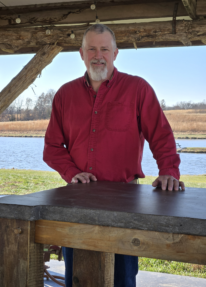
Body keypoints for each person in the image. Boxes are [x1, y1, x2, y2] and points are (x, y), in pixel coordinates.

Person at [43, 24, 185, 287]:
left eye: (104, 49)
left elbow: (161, 136)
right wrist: (72, 172)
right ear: (81, 53)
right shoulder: (64, 95)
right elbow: (51, 147)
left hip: (125, 201)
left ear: (116, 53)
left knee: (122, 278)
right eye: (92, 49)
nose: (99, 55)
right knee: (79, 277)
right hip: (78, 201)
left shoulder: (138, 89)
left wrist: (168, 171)